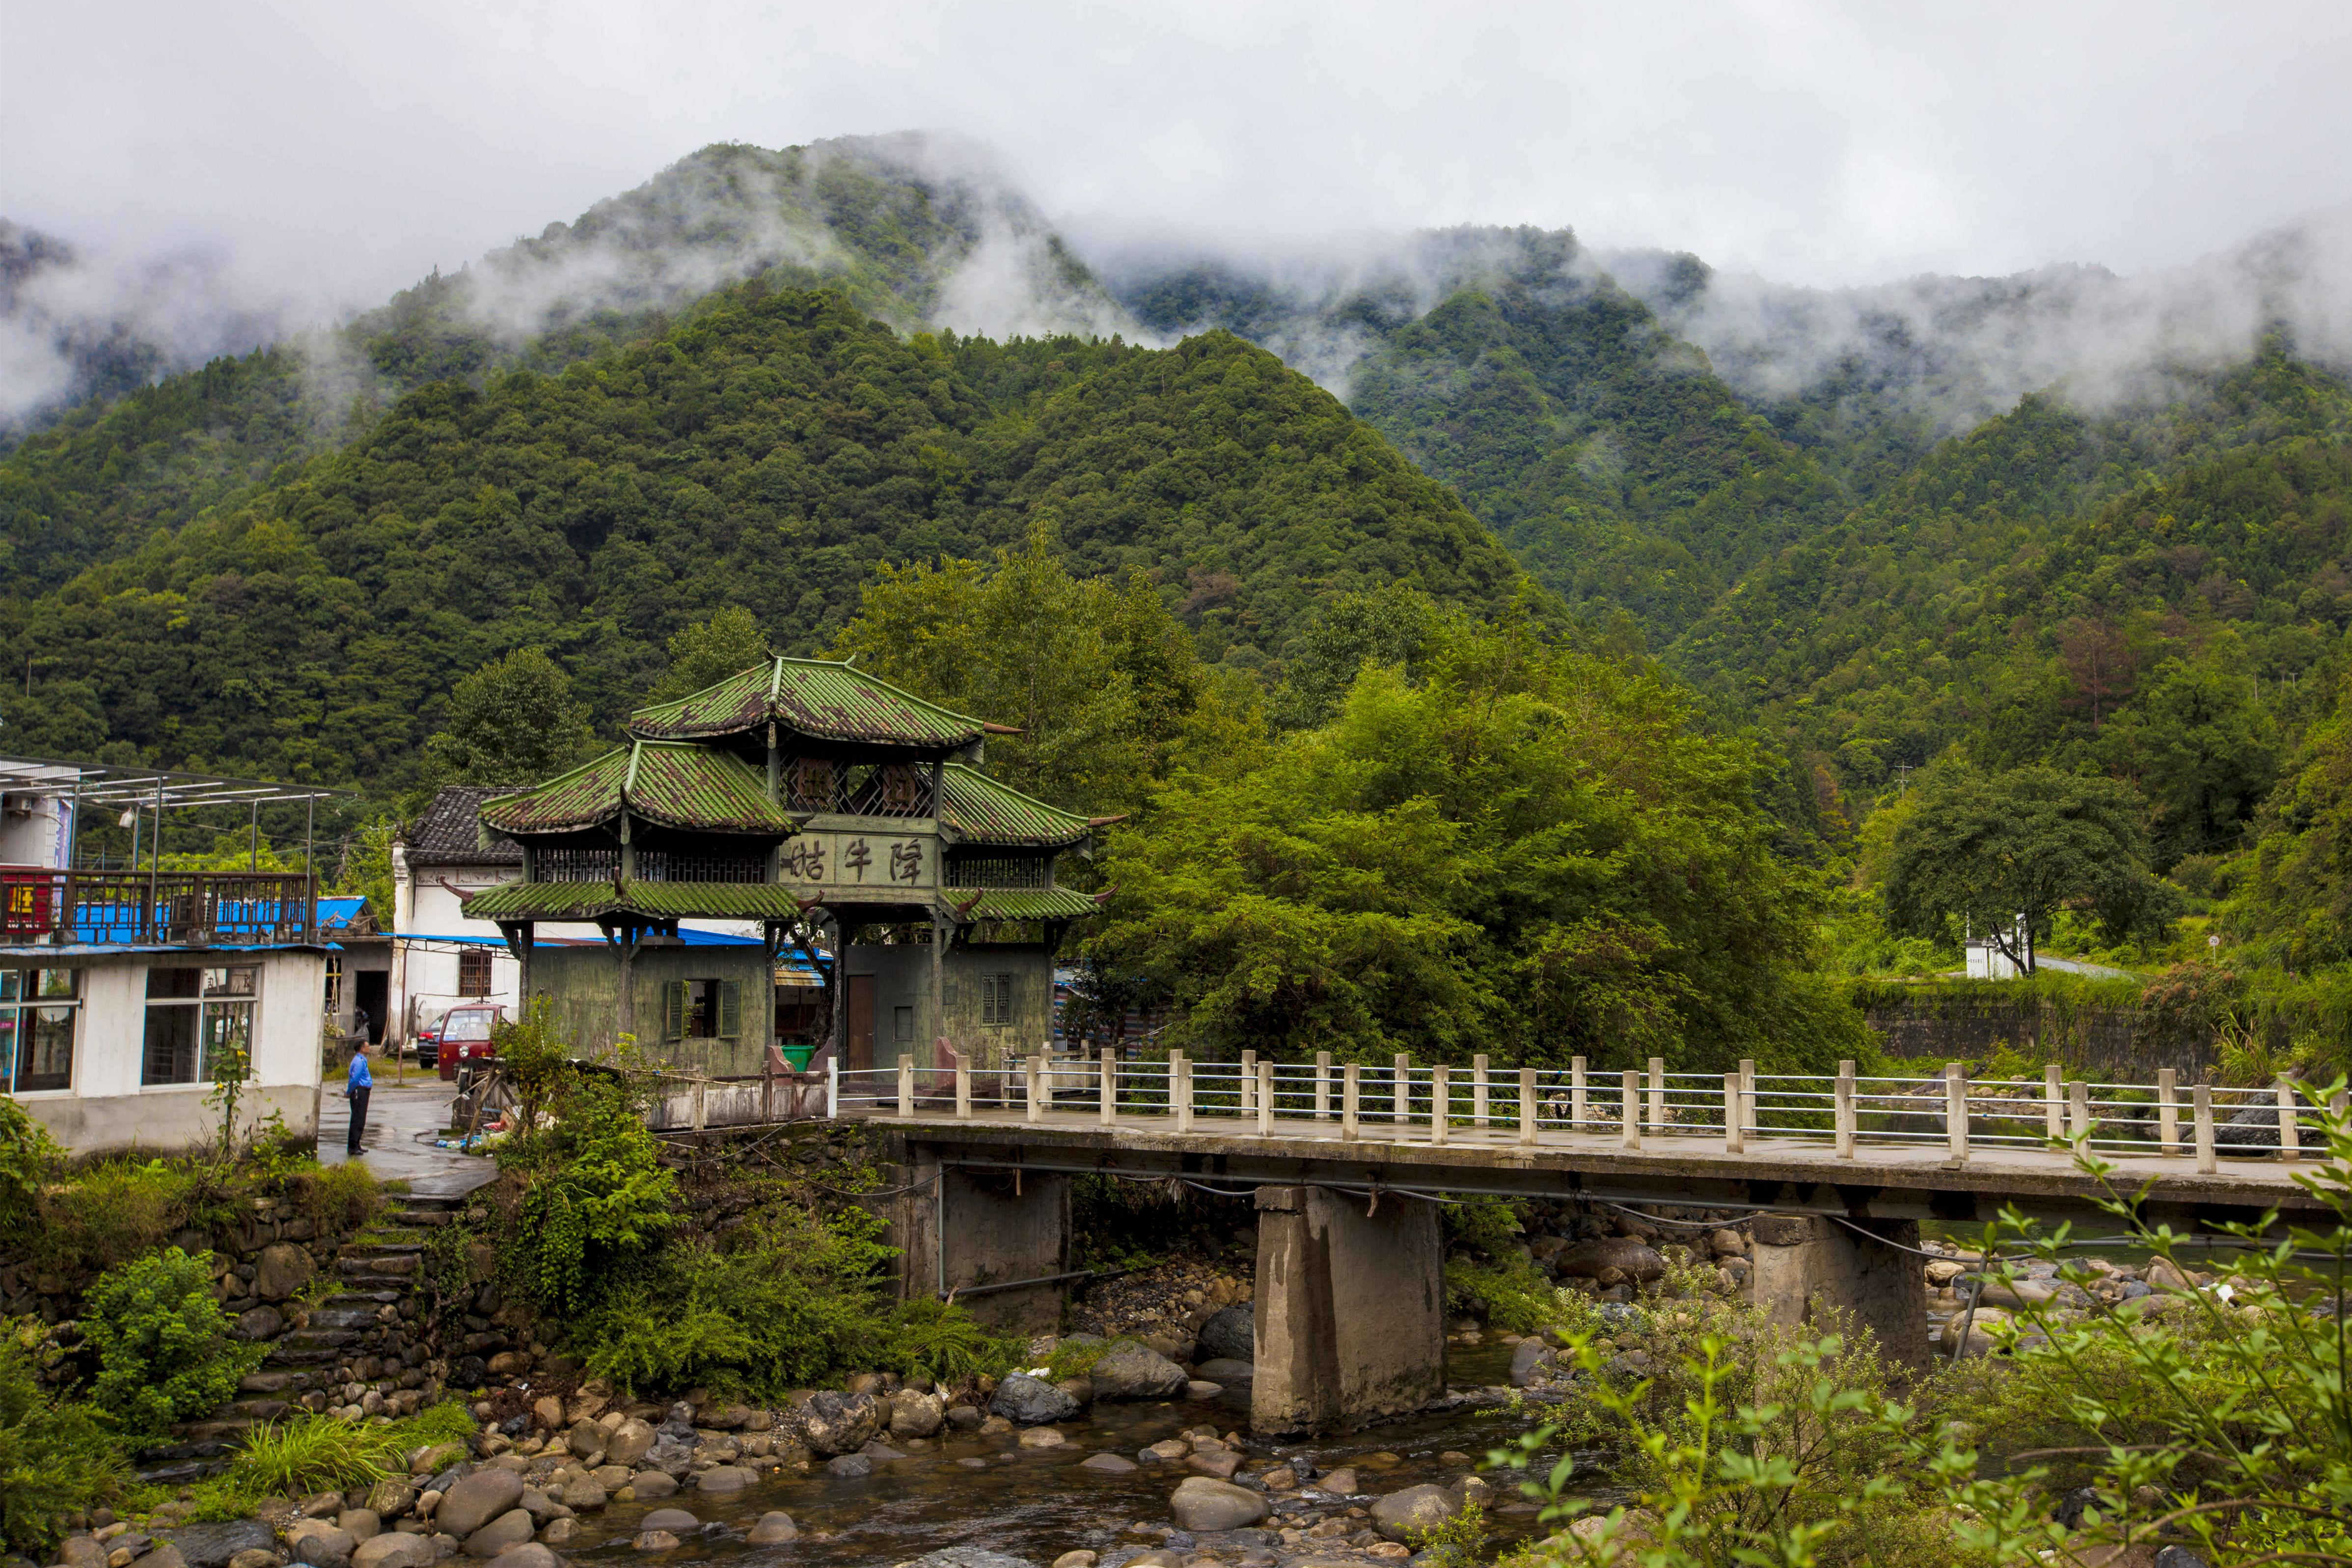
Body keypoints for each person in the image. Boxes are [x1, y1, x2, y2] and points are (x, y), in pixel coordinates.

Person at [345, 1039, 374, 1157]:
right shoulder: (358, 1062)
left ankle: (357, 1144)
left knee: (361, 1119)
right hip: (359, 1091)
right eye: (367, 1046)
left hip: (364, 1091)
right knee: (357, 1118)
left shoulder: (362, 1060)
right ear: (362, 1048)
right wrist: (349, 1091)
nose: (369, 1048)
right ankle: (352, 1147)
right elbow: (355, 1079)